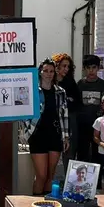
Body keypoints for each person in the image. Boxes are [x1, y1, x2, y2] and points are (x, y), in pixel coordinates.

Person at [21, 59, 70, 196]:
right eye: (46, 71)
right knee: (41, 175)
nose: (48, 74)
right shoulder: (33, 91)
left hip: (55, 134)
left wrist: (66, 137)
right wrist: (26, 131)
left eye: (51, 71)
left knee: (50, 175)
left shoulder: (60, 92)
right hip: (37, 135)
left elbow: (64, 115)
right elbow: (25, 112)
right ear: (40, 72)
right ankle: (35, 205)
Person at [75, 55, 104, 165]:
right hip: (82, 125)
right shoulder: (80, 84)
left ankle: (97, 181)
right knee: (82, 155)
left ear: (98, 68)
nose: (91, 71)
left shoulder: (103, 85)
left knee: (97, 155)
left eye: (94, 67)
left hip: (99, 126)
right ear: (84, 69)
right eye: (88, 68)